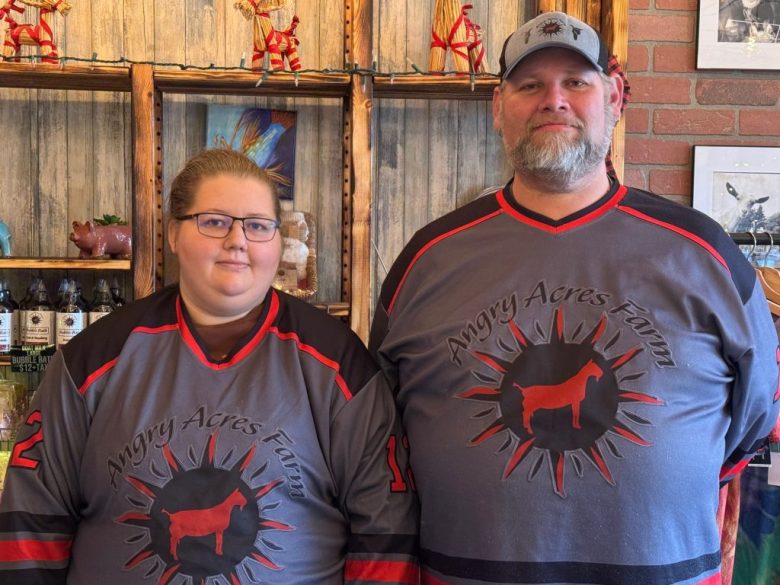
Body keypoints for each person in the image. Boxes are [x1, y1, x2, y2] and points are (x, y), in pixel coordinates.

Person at [369, 11, 780, 585]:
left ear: (613, 98)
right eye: (530, 84)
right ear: (498, 107)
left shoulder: (704, 253)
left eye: (577, 83)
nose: (553, 100)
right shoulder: (426, 259)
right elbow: (381, 426)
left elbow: (755, 416)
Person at [0, 149, 419, 584]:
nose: (237, 240)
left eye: (257, 225)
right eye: (214, 221)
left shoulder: (338, 365)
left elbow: (385, 531)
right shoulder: (93, 359)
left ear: (278, 242)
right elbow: (30, 523)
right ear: (173, 235)